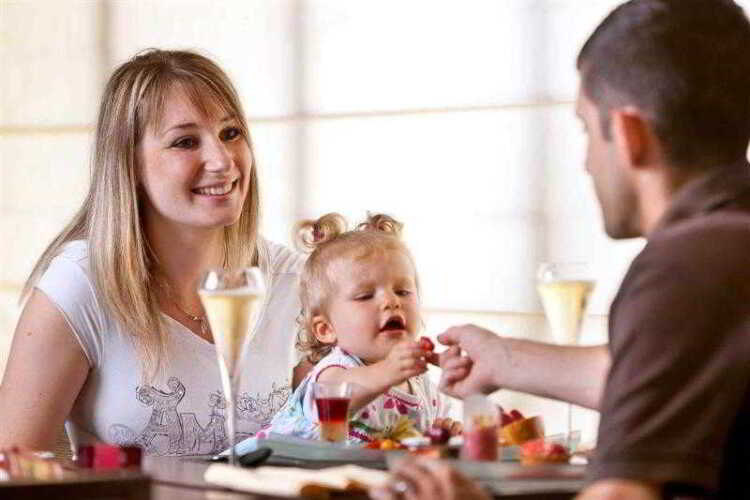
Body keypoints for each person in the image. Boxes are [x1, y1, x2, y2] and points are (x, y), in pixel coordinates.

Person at [374, 0, 750, 498]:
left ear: (629, 134)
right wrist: (504, 359)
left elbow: (622, 494)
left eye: (587, 129)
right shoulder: (729, 246)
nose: (587, 161)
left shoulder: (686, 264)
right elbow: (658, 373)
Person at [0, 49, 309, 457]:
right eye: (185, 142)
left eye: (231, 133)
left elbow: (335, 439)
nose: (222, 160)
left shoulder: (293, 282)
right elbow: (14, 467)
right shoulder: (82, 283)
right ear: (129, 164)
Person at [262, 213, 460, 443]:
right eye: (365, 296)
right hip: (271, 462)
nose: (391, 301)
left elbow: (412, 444)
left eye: (403, 292)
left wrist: (440, 433)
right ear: (326, 329)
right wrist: (388, 370)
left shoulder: (422, 387)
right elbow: (334, 398)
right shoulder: (334, 373)